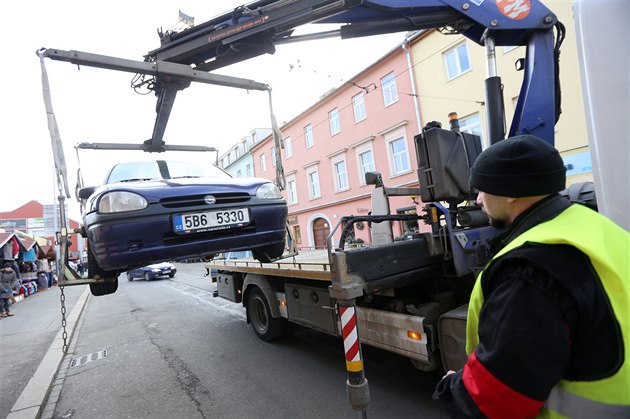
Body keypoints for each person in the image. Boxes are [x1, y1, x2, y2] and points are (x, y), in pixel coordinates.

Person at [433, 135, 629, 417]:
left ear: (512, 191)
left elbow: (495, 402)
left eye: (482, 189)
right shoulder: (598, 228)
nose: (477, 199)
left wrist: (450, 387)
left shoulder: (531, 271)